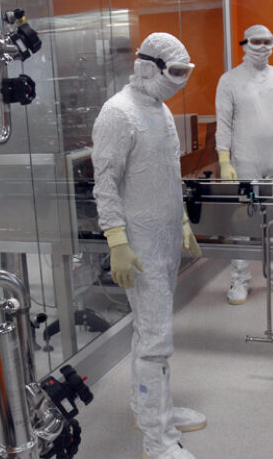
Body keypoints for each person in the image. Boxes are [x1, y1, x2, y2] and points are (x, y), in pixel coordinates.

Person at [92, 32, 204, 459]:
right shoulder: (117, 113)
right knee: (156, 340)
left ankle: (152, 410)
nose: (180, 80)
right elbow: (105, 183)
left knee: (151, 331)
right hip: (139, 245)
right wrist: (117, 240)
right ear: (147, 65)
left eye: (185, 72)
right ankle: (158, 441)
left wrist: (182, 223)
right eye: (174, 72)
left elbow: (168, 173)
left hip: (165, 237)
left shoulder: (160, 109)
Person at [215, 24, 273, 305]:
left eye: (268, 41)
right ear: (244, 44)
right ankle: (239, 279)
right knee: (243, 221)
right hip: (245, 160)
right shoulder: (230, 80)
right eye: (256, 41)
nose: (263, 47)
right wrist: (224, 160)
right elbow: (224, 123)